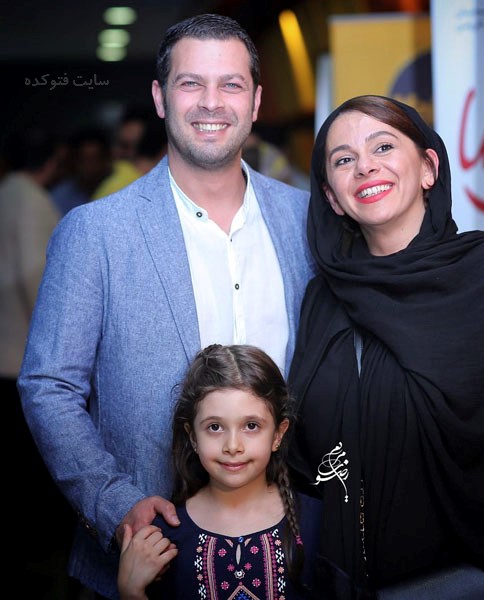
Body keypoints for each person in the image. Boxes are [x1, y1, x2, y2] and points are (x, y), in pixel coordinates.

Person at [18, 13, 314, 600]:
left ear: (256, 101)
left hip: (294, 552)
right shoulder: (95, 231)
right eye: (190, 83)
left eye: (231, 84)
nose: (211, 102)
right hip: (149, 554)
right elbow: (49, 386)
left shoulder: (305, 221)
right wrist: (114, 502)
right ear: (160, 97)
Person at [287, 95, 484, 600]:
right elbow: (306, 459)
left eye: (383, 146)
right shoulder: (324, 300)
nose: (365, 166)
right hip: (355, 581)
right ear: (332, 197)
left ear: (429, 168)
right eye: (344, 160)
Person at [118, 343, 312, 599]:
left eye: (251, 426)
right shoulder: (162, 539)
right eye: (215, 427)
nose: (232, 446)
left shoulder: (316, 522)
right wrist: (130, 591)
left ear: (278, 433)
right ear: (192, 436)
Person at [0, 127, 77, 595]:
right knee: (31, 473)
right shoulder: (30, 201)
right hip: (22, 357)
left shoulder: (7, 193)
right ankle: (38, 564)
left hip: (6, 350)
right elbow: (38, 281)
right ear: (52, 160)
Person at [51, 127, 113, 215]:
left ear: (107, 160)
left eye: (95, 160)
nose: (90, 167)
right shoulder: (61, 197)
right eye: (84, 161)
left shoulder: (117, 189)